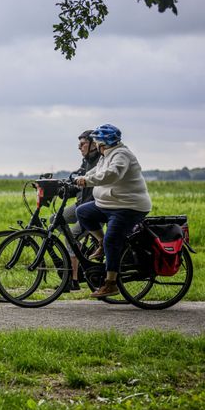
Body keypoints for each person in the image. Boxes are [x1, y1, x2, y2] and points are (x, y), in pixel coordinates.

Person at [74, 124, 152, 298]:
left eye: (97, 141)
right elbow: (96, 171)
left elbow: (112, 174)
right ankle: (101, 243)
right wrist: (79, 178)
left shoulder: (121, 155)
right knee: (83, 212)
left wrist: (87, 181)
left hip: (128, 207)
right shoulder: (106, 155)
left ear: (104, 143)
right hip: (110, 204)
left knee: (112, 240)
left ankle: (110, 284)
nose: (95, 144)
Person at [58, 130, 101, 289]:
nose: (79, 147)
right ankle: (79, 249)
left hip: (92, 209)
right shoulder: (86, 161)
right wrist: (62, 189)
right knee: (55, 220)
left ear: (93, 145)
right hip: (80, 204)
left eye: (82, 144)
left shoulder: (100, 162)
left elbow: (90, 182)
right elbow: (79, 184)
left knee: (71, 238)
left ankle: (73, 279)